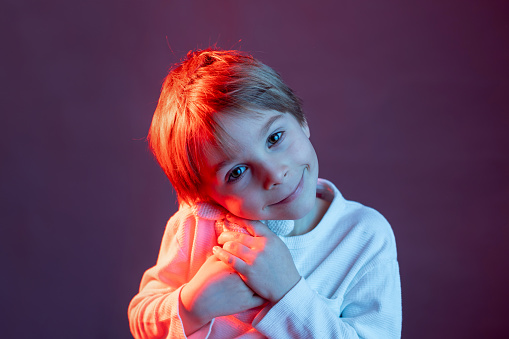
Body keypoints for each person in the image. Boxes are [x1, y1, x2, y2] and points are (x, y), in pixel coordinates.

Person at [128, 48, 402, 338]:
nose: (274, 174)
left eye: (275, 138)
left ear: (301, 120)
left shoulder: (364, 236)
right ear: (208, 197)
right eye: (236, 172)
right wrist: (193, 305)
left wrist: (287, 292)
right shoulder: (197, 226)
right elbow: (141, 319)